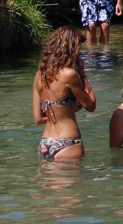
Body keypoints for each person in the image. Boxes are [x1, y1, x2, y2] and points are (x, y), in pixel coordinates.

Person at [32, 26, 97, 160]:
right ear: (72, 47)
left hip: (46, 142)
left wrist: (65, 111)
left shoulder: (39, 75)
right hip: (68, 142)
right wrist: (83, 74)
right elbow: (91, 106)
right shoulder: (69, 75)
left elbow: (38, 118)